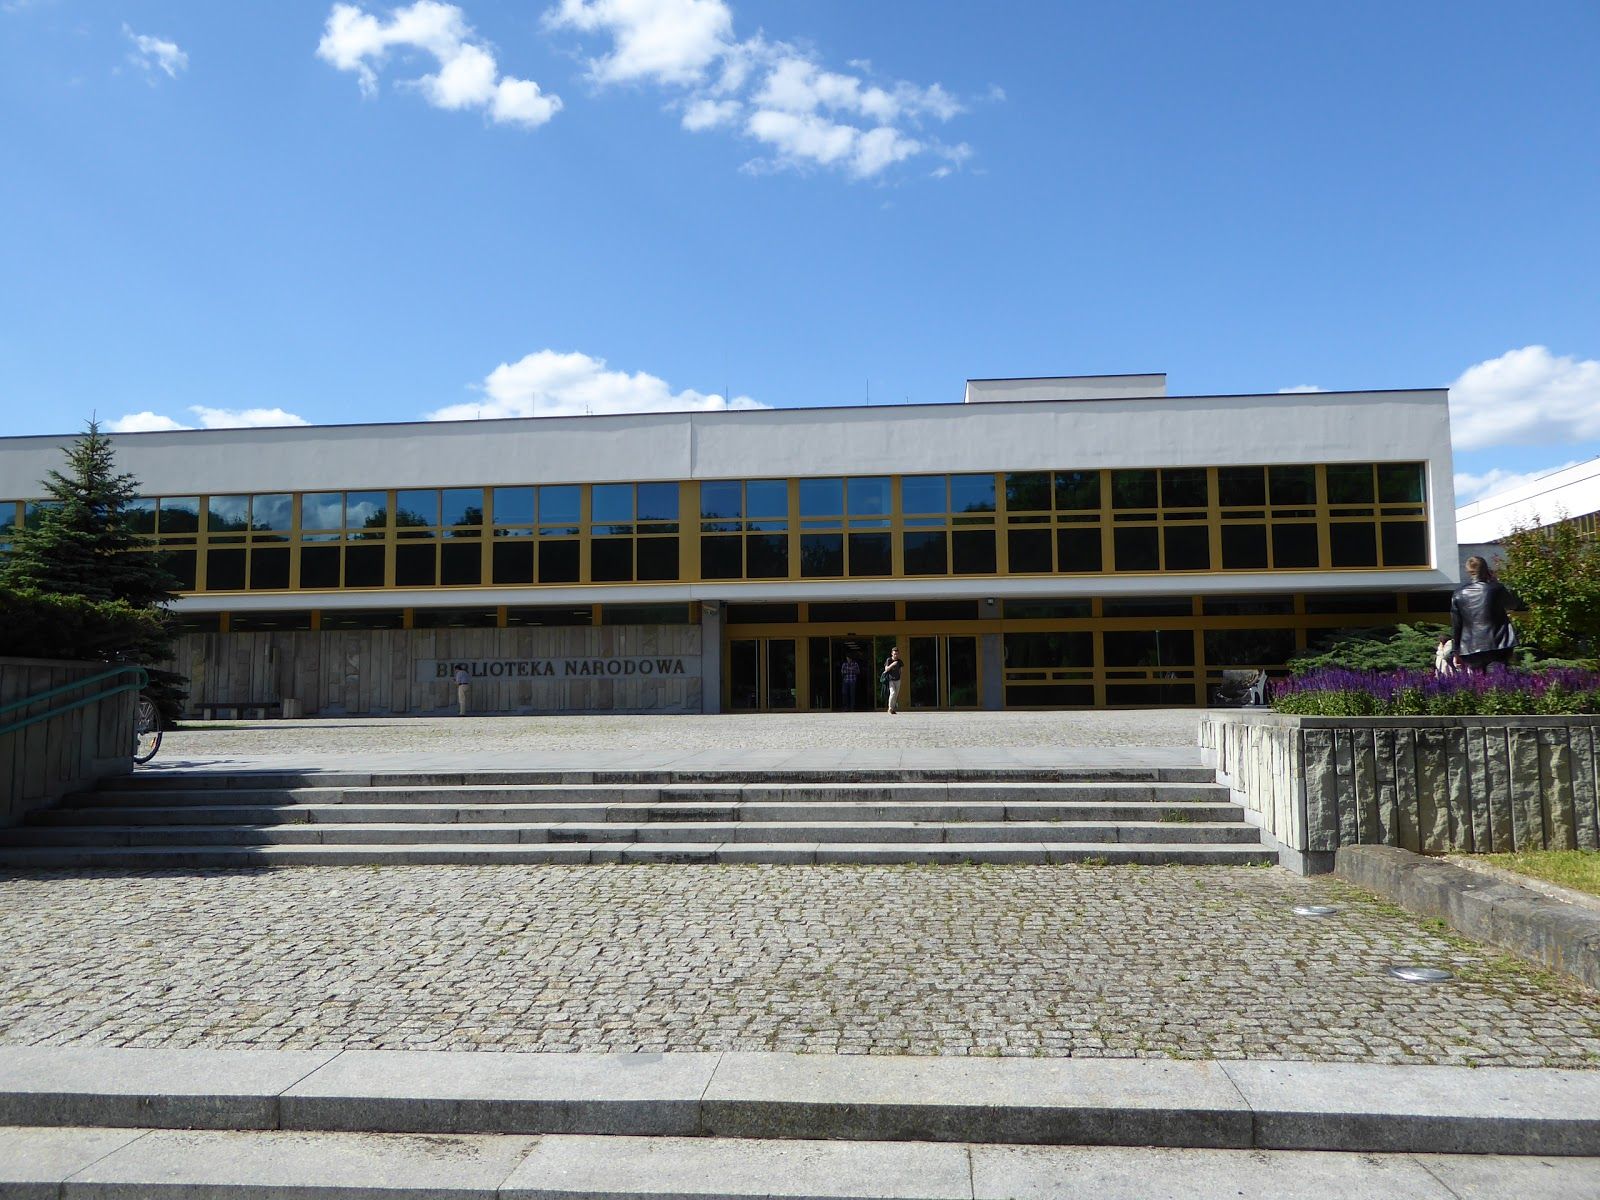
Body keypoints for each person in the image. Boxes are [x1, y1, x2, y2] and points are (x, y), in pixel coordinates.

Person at [1451, 555, 1516, 673]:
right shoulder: (1496, 588)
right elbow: (1512, 605)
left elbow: (1456, 625)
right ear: (1486, 569)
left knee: (1479, 685)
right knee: (1499, 683)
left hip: (1470, 647)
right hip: (1497, 644)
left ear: (1468, 571)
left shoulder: (1459, 594)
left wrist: (1455, 651)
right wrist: (1495, 581)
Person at [880, 646, 903, 715]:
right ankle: (889, 708)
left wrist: (899, 677)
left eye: (897, 654)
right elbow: (886, 669)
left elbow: (901, 671)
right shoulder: (889, 660)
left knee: (896, 695)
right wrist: (893, 664)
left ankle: (892, 709)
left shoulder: (900, 661)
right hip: (890, 680)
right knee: (892, 693)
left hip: (898, 680)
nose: (896, 655)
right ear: (892, 654)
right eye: (894, 654)